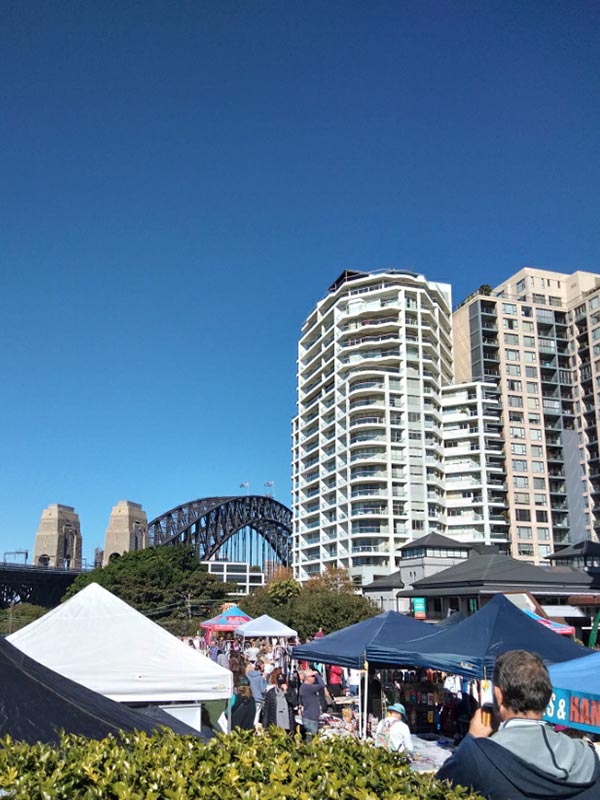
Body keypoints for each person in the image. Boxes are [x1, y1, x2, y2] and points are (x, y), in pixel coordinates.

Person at [437, 650, 600, 800]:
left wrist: (472, 738)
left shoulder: (476, 758)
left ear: (499, 696)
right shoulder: (588, 759)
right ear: (547, 697)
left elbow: (439, 789)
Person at [298, 669, 325, 742]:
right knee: (311, 741)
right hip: (310, 718)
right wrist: (317, 674)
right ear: (307, 678)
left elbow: (300, 701)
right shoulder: (307, 687)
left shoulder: (304, 687)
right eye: (313, 676)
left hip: (309, 717)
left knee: (310, 739)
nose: (314, 678)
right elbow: (322, 685)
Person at [245, 662, 267, 726]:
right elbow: (263, 689)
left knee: (250, 716)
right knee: (256, 717)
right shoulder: (259, 677)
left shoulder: (247, 676)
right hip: (258, 699)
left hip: (250, 698)